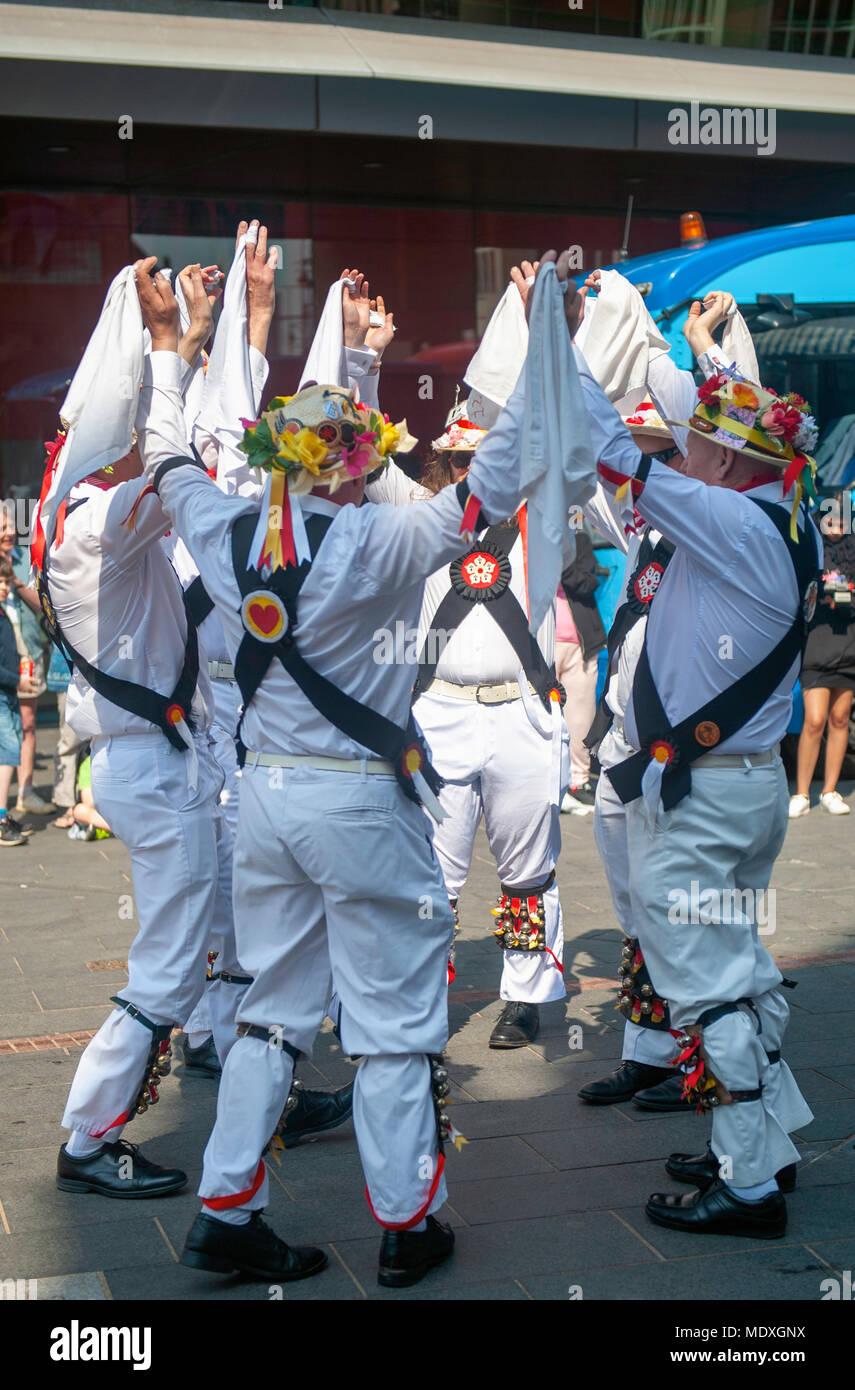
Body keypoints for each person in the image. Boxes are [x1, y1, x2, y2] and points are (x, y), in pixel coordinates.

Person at [135, 249, 588, 1287]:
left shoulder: (226, 524)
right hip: (354, 803)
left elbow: (167, 459)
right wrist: (537, 337)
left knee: (271, 1005)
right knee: (389, 1020)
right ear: (349, 460)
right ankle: (404, 1221)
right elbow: (499, 477)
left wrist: (167, 349)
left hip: (261, 801)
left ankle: (225, 1204)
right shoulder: (381, 542)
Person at [595, 369, 820, 1239]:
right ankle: (763, 1148)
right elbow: (666, 418)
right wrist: (677, 344)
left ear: (724, 461)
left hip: (711, 795)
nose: (676, 452)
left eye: (690, 445)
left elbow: (615, 453)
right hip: (743, 785)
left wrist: (552, 333)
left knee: (706, 986)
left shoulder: (727, 517)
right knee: (739, 965)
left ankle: (749, 1189)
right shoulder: (777, 513)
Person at [37, 256, 226, 1199]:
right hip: (152, 766)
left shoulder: (71, 511)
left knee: (202, 940)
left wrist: (184, 344)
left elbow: (171, 460)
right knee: (164, 969)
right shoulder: (92, 522)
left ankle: (243, 1083)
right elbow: (176, 471)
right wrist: (171, 349)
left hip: (155, 759)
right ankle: (88, 1138)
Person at [789, 489, 855, 818]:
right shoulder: (811, 552)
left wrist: (845, 597)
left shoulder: (854, 552)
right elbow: (799, 596)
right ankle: (802, 793)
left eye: (842, 518)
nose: (836, 525)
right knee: (814, 720)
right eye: (831, 519)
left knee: (840, 719)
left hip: (850, 643)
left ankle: (830, 791)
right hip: (817, 642)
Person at [556, 530, 606, 815]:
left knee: (580, 716)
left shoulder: (580, 541)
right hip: (538, 645)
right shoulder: (526, 541)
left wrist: (562, 562)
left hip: (581, 644)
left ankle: (579, 782)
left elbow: (588, 583)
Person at [0, 555, 34, 846]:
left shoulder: (2, 614)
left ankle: (2, 815)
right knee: (9, 752)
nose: (3, 586)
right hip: (3, 695)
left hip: (7, 695)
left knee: (9, 750)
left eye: (5, 581)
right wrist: (17, 681)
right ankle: (0, 819)